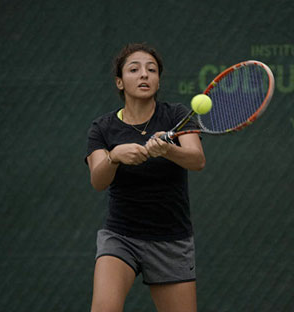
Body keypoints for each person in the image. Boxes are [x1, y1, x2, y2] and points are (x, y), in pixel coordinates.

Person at [85, 43, 205, 312]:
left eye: (151, 70)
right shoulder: (102, 127)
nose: (144, 75)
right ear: (120, 82)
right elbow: (98, 180)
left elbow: (197, 160)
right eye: (134, 69)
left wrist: (167, 150)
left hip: (171, 239)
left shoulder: (177, 116)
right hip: (121, 236)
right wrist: (114, 156)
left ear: (158, 80)